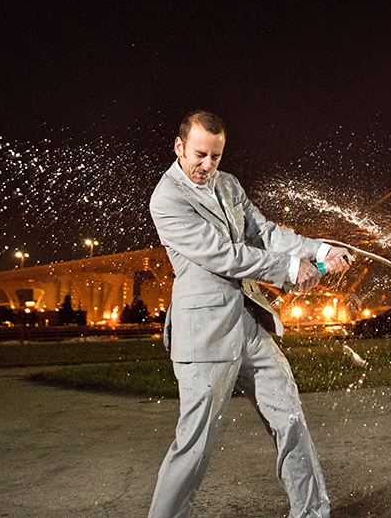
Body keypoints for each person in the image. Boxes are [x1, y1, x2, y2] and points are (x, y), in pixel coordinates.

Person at [148, 110, 351, 518]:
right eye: (200, 155)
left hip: (248, 323)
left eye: (217, 157)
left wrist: (318, 250)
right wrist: (292, 270)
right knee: (195, 444)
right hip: (204, 335)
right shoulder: (166, 199)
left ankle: (312, 513)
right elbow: (224, 256)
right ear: (179, 146)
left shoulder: (229, 185)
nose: (208, 166)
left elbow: (265, 232)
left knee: (289, 417)